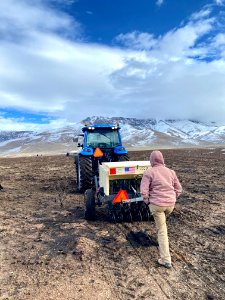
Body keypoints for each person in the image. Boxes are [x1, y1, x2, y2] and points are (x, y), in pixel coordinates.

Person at [140, 150, 182, 269]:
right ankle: (164, 245)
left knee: (162, 231)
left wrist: (147, 200)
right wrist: (173, 197)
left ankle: (165, 259)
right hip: (170, 205)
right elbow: (179, 189)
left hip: (157, 206)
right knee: (162, 225)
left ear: (152, 160)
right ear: (162, 159)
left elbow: (144, 190)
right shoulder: (171, 172)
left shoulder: (149, 172)